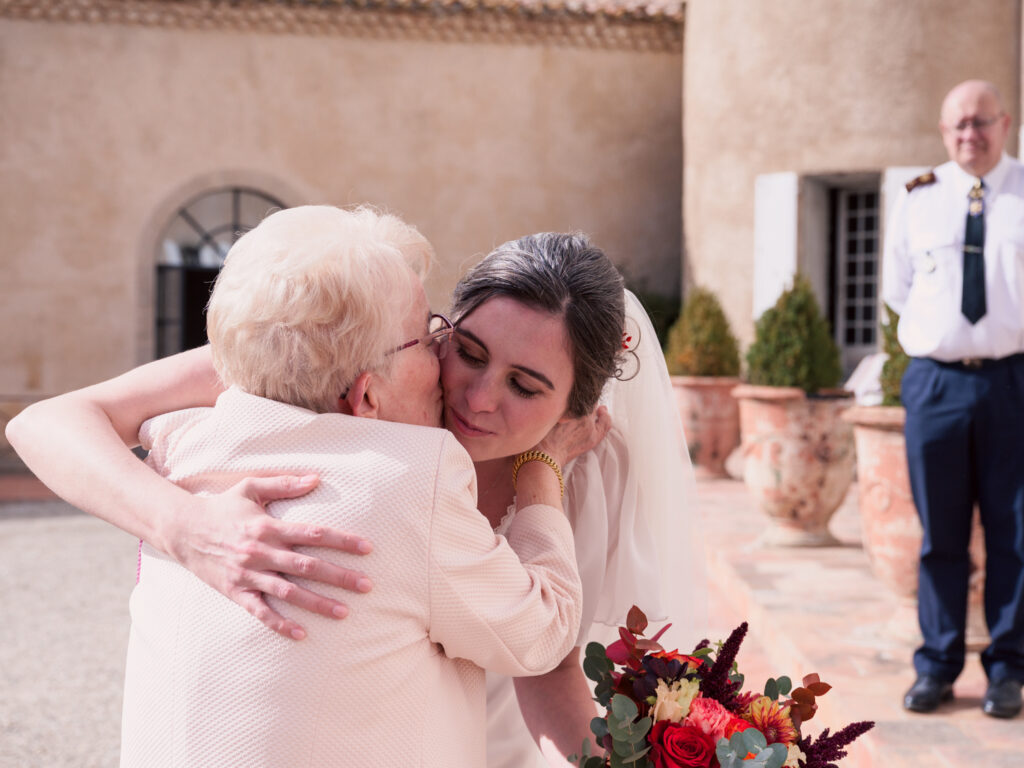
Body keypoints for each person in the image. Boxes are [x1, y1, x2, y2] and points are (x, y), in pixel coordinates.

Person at [8, 225, 703, 765]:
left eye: (526, 387)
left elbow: (547, 667)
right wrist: (185, 525)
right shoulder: (347, 351)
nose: (476, 397)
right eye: (465, 349)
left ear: (573, 414)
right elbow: (46, 422)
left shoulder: (571, 470)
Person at [882, 79, 1024, 720]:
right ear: (944, 132)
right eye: (958, 125)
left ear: (1006, 123)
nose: (971, 134)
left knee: (1013, 531)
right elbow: (898, 288)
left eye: (982, 122)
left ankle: (1008, 670)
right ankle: (937, 665)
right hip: (937, 383)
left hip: (1013, 381)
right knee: (940, 533)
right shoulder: (918, 198)